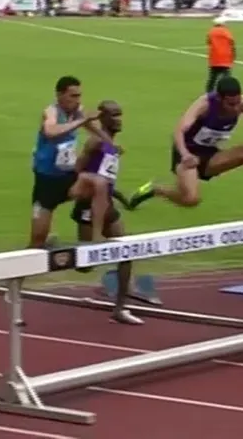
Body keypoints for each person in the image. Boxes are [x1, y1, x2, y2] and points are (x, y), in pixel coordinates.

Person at [128, 76, 243, 217]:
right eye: (231, 104)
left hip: (210, 155)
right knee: (191, 199)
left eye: (237, 103)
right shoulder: (204, 105)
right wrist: (185, 154)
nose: (236, 108)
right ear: (220, 98)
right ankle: (156, 190)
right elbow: (179, 131)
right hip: (188, 154)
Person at [68, 101, 142, 325]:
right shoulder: (95, 142)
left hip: (108, 206)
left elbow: (106, 178)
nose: (119, 119)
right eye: (114, 115)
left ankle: (120, 309)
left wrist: (118, 197)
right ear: (103, 118)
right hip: (89, 208)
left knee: (126, 252)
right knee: (85, 265)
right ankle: (51, 248)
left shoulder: (111, 143)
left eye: (120, 114)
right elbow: (79, 171)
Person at [29, 76, 119, 248]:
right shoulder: (51, 112)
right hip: (46, 183)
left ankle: (95, 235)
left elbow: (93, 128)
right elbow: (51, 131)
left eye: (79, 96)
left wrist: (111, 143)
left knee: (99, 184)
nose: (77, 100)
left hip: (68, 178)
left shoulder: (78, 111)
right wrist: (82, 121)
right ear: (59, 95)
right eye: (73, 96)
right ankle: (18, 274)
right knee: (37, 242)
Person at [205, 18, 234, 92]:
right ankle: (226, 91)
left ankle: (209, 92)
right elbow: (231, 41)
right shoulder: (225, 31)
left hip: (214, 57)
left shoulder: (211, 31)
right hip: (225, 56)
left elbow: (208, 42)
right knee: (226, 76)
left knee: (213, 77)